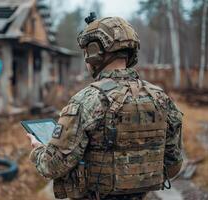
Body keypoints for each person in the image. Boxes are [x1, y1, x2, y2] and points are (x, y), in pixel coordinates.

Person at [27, 14, 183, 200]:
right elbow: (173, 165)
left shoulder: (85, 101)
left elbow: (51, 166)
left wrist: (38, 150)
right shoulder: (160, 97)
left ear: (94, 53)